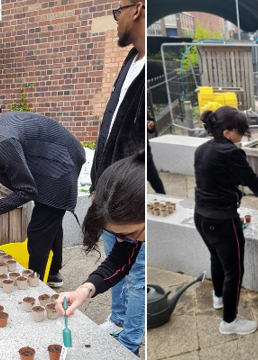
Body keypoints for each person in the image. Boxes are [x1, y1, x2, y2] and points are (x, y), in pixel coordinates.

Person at [0, 112, 86, 288]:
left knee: (39, 231)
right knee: (49, 222)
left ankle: (35, 288)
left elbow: (27, 191)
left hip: (61, 162)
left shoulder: (0, 144)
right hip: (47, 161)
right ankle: (53, 274)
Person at [92, 0, 147, 341]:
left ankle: (130, 340)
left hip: (130, 199)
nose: (115, 21)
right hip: (110, 193)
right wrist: (100, 185)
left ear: (138, 8)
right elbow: (110, 132)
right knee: (116, 255)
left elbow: (138, 152)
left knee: (137, 271)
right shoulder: (131, 60)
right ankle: (117, 318)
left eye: (117, 12)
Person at [193, 106, 258, 336]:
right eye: (240, 131)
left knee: (216, 259)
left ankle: (218, 297)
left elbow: (216, 180)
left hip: (201, 216)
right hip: (223, 222)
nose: (243, 135)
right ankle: (229, 322)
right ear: (228, 132)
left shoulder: (201, 149)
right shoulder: (231, 153)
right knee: (234, 272)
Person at [55, 153, 145, 355]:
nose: (122, 242)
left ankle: (130, 345)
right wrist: (83, 290)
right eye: (116, 234)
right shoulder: (133, 233)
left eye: (128, 234)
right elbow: (118, 262)